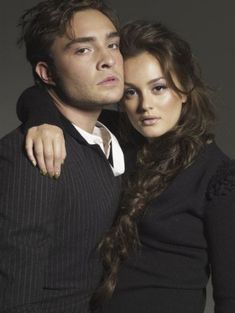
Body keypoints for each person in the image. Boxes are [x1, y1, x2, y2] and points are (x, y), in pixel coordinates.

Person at [16, 21, 235, 313]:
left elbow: (230, 294)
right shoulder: (116, 137)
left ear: (184, 88)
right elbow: (39, 96)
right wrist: (43, 120)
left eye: (159, 88)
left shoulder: (219, 177)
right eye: (130, 93)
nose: (145, 105)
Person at [0, 0, 125, 312]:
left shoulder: (116, 135)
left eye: (113, 44)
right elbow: (17, 289)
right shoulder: (35, 152)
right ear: (47, 73)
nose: (107, 59)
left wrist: (37, 108)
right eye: (83, 49)